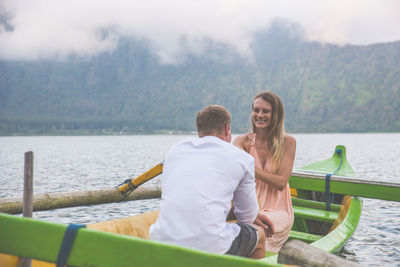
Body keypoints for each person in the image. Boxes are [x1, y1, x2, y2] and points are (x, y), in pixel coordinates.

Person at [149, 105, 266, 258]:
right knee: (259, 235)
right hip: (209, 246)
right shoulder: (242, 158)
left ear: (199, 131)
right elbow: (247, 218)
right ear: (227, 129)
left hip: (161, 239)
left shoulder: (176, 150)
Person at [234, 91, 296, 253]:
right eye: (256, 110)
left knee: (257, 225)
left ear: (276, 115)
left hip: (277, 209)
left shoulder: (288, 142)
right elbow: (233, 173)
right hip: (248, 204)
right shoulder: (242, 141)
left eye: (266, 111)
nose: (259, 115)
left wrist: (248, 166)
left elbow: (280, 182)